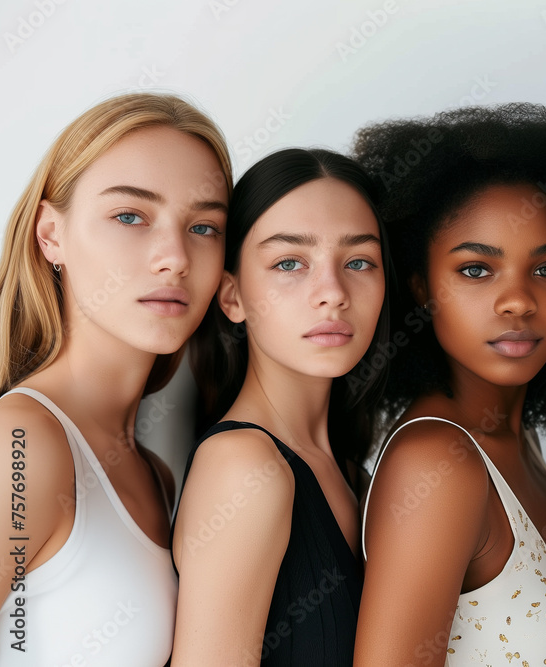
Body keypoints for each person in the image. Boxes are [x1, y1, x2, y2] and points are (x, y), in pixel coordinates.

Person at [353, 104, 546, 666]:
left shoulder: (519, 441)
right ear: (421, 286)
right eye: (476, 269)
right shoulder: (437, 462)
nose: (518, 300)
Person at [0, 92, 232, 664]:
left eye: (203, 227)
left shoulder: (157, 476)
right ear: (50, 235)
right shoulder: (21, 444)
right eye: (130, 216)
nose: (174, 256)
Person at [169, 148, 390, 665]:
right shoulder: (245, 467)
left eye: (358, 262)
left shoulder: (357, 475)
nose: (332, 293)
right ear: (232, 297)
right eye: (290, 263)